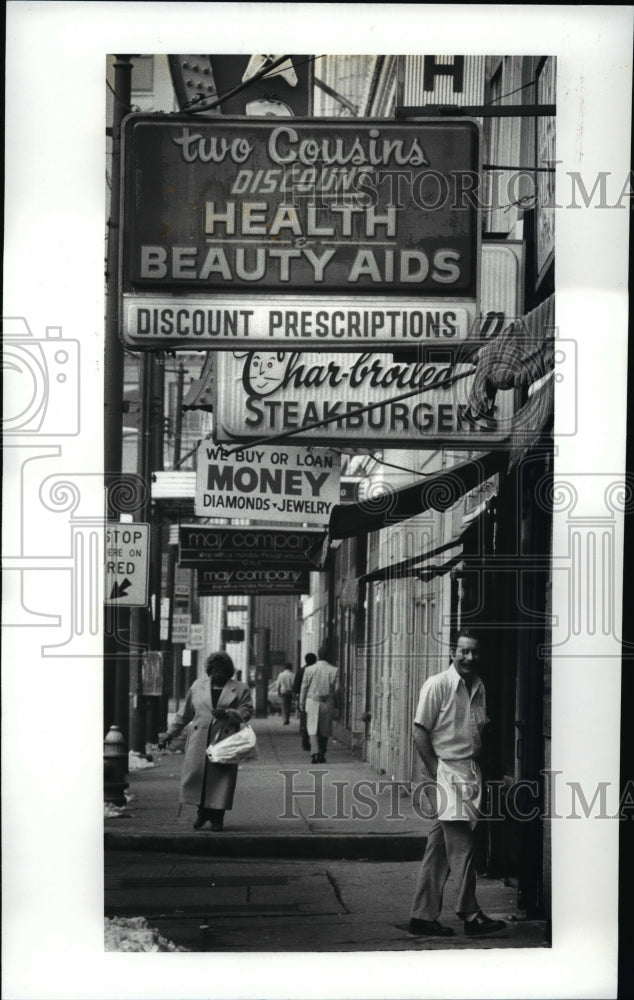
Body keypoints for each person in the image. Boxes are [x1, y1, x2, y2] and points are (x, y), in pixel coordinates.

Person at [408, 628, 506, 938]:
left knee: (439, 850)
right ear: (453, 651)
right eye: (464, 651)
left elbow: (476, 727)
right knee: (463, 846)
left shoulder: (478, 686)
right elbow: (419, 730)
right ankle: (470, 913)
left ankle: (422, 916)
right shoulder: (437, 685)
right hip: (448, 773)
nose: (469, 657)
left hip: (468, 772)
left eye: (475, 652)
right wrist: (437, 770)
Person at [159, 651, 253, 832]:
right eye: (215, 670)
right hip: (199, 740)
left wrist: (228, 714)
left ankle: (217, 817)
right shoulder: (197, 686)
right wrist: (170, 734)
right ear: (209, 670)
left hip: (224, 740)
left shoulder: (241, 689)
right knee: (197, 777)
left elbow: (247, 713)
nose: (219, 674)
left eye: (223, 670)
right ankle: (201, 812)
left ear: (229, 671)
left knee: (221, 780)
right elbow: (184, 714)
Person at [299, 643, 339, 764]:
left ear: (318, 655)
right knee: (324, 729)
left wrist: (301, 702)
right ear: (328, 656)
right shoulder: (334, 670)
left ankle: (314, 753)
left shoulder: (309, 669)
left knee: (312, 729)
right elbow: (337, 689)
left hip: (312, 701)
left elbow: (304, 687)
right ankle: (322, 752)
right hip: (327, 702)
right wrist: (334, 700)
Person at [294, 652, 317, 752]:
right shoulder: (317, 671)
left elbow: (296, 687)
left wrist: (298, 700)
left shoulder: (301, 671)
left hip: (305, 699)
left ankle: (305, 742)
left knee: (305, 721)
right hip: (316, 699)